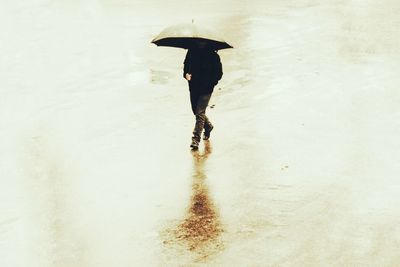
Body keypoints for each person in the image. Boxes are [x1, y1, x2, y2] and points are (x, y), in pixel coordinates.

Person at [183, 41, 223, 149]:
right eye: (199, 41)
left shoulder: (214, 56)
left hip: (206, 89)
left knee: (200, 112)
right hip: (194, 87)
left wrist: (212, 82)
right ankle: (208, 126)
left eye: (203, 42)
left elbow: (219, 74)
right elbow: (186, 67)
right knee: (195, 111)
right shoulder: (191, 53)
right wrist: (186, 75)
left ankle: (195, 139)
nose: (201, 43)